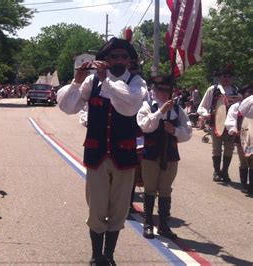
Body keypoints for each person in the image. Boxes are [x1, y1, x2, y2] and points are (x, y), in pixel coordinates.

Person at [58, 37, 147, 265]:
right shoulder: (91, 82)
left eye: (123, 57)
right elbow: (68, 108)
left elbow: (128, 106)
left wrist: (106, 81)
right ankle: (96, 256)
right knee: (97, 208)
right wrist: (76, 82)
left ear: (129, 61)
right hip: (97, 155)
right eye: (113, 57)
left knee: (118, 210)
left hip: (124, 155)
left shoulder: (137, 83)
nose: (118, 60)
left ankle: (109, 255)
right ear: (105, 60)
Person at [137, 76, 192, 240]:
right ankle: (148, 224)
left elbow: (187, 132)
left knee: (166, 190)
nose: (163, 93)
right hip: (151, 154)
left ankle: (163, 224)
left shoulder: (177, 109)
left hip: (170, 154)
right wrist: (160, 112)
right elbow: (145, 126)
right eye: (160, 89)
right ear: (154, 90)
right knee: (150, 189)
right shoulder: (147, 106)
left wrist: (174, 131)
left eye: (167, 90)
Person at [197, 65, 241, 182]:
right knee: (216, 148)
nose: (226, 78)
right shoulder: (213, 89)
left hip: (231, 124)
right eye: (224, 76)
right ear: (220, 77)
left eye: (229, 76)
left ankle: (224, 171)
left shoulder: (236, 90)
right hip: (216, 123)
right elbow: (202, 106)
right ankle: (216, 171)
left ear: (232, 78)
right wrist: (205, 114)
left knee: (229, 148)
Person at [225, 83, 253, 194]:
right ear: (244, 94)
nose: (251, 94)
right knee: (244, 162)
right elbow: (231, 119)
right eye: (249, 92)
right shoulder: (236, 106)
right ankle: (244, 185)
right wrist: (232, 129)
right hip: (241, 138)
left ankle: (251, 186)